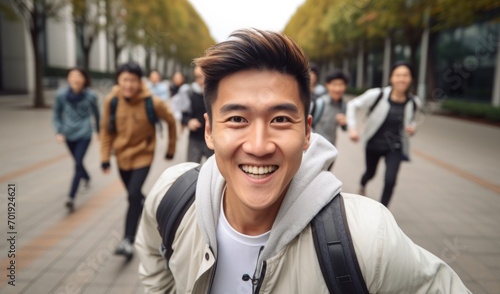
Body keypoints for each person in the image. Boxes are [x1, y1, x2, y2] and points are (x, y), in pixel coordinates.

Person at [135, 29, 469, 293]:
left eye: (280, 119)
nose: (259, 145)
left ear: (307, 132)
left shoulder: (368, 238)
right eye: (237, 119)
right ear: (209, 131)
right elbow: (152, 254)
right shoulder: (172, 197)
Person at [100, 61, 177, 260]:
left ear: (139, 81)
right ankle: (149, 211)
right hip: (122, 156)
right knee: (135, 197)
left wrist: (170, 148)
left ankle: (128, 240)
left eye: (133, 80)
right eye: (125, 79)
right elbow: (106, 130)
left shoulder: (151, 101)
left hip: (144, 154)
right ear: (118, 80)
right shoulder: (112, 100)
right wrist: (105, 157)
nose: (129, 84)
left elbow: (170, 121)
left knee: (133, 194)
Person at [346, 61, 420, 207]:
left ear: (411, 79)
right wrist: (352, 129)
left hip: (395, 147)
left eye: (406, 75)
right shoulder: (377, 95)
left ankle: (383, 210)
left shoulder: (414, 102)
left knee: (390, 180)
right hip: (373, 144)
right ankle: (363, 184)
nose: (402, 79)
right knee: (370, 173)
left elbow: (413, 121)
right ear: (391, 78)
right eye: (398, 75)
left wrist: (413, 128)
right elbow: (352, 105)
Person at [53, 67, 100, 212]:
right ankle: (86, 176)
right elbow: (56, 114)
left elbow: (97, 114)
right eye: (72, 76)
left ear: (84, 79)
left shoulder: (91, 96)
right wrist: (58, 131)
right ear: (68, 79)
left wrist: (99, 131)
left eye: (79, 76)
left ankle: (71, 197)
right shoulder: (61, 95)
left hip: (85, 134)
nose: (75, 79)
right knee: (78, 162)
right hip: (68, 134)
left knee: (78, 162)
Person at [180, 66, 213, 163]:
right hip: (195, 138)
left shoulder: (215, 93)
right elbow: (183, 114)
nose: (202, 80)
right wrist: (188, 121)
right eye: (198, 77)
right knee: (192, 167)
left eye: (204, 76)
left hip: (212, 138)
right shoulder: (190, 92)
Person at [312, 70, 348, 146]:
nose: (337, 89)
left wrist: (344, 124)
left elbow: (344, 128)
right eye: (334, 85)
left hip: (331, 146)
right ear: (327, 85)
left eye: (341, 85)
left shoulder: (343, 105)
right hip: (314, 146)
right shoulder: (318, 103)